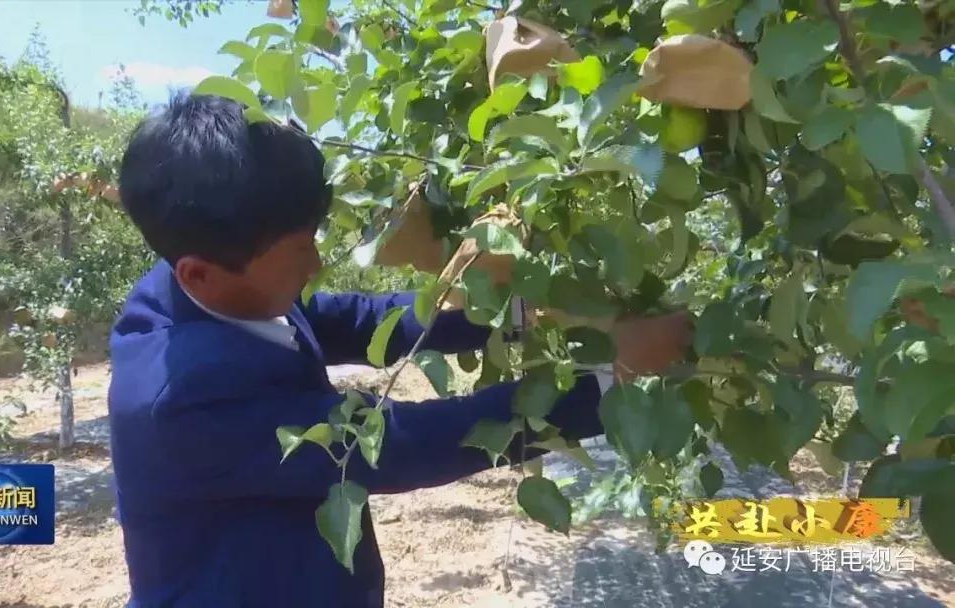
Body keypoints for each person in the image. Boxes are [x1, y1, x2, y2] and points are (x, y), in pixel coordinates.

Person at [106, 91, 694, 608]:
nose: (315, 265)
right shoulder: (180, 399)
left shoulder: (206, 281)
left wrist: (509, 309)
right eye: (297, 252)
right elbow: (398, 447)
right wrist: (608, 375)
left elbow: (363, 320)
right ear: (200, 275)